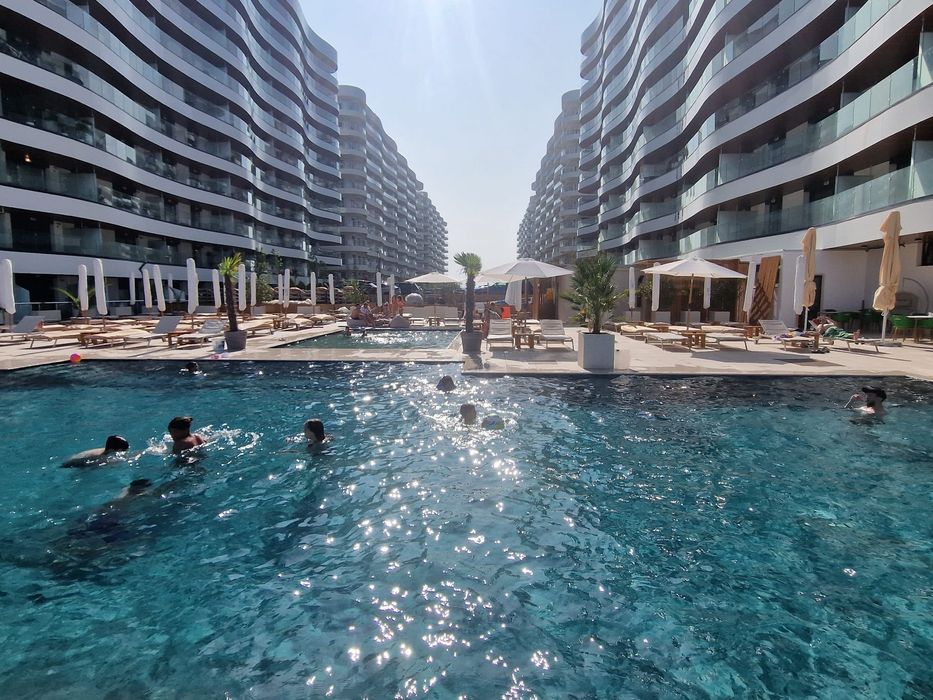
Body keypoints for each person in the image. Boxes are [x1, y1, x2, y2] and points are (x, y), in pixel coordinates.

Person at [62, 435, 130, 468]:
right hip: (71, 464)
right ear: (112, 450)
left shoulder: (107, 449)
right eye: (123, 450)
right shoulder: (99, 458)